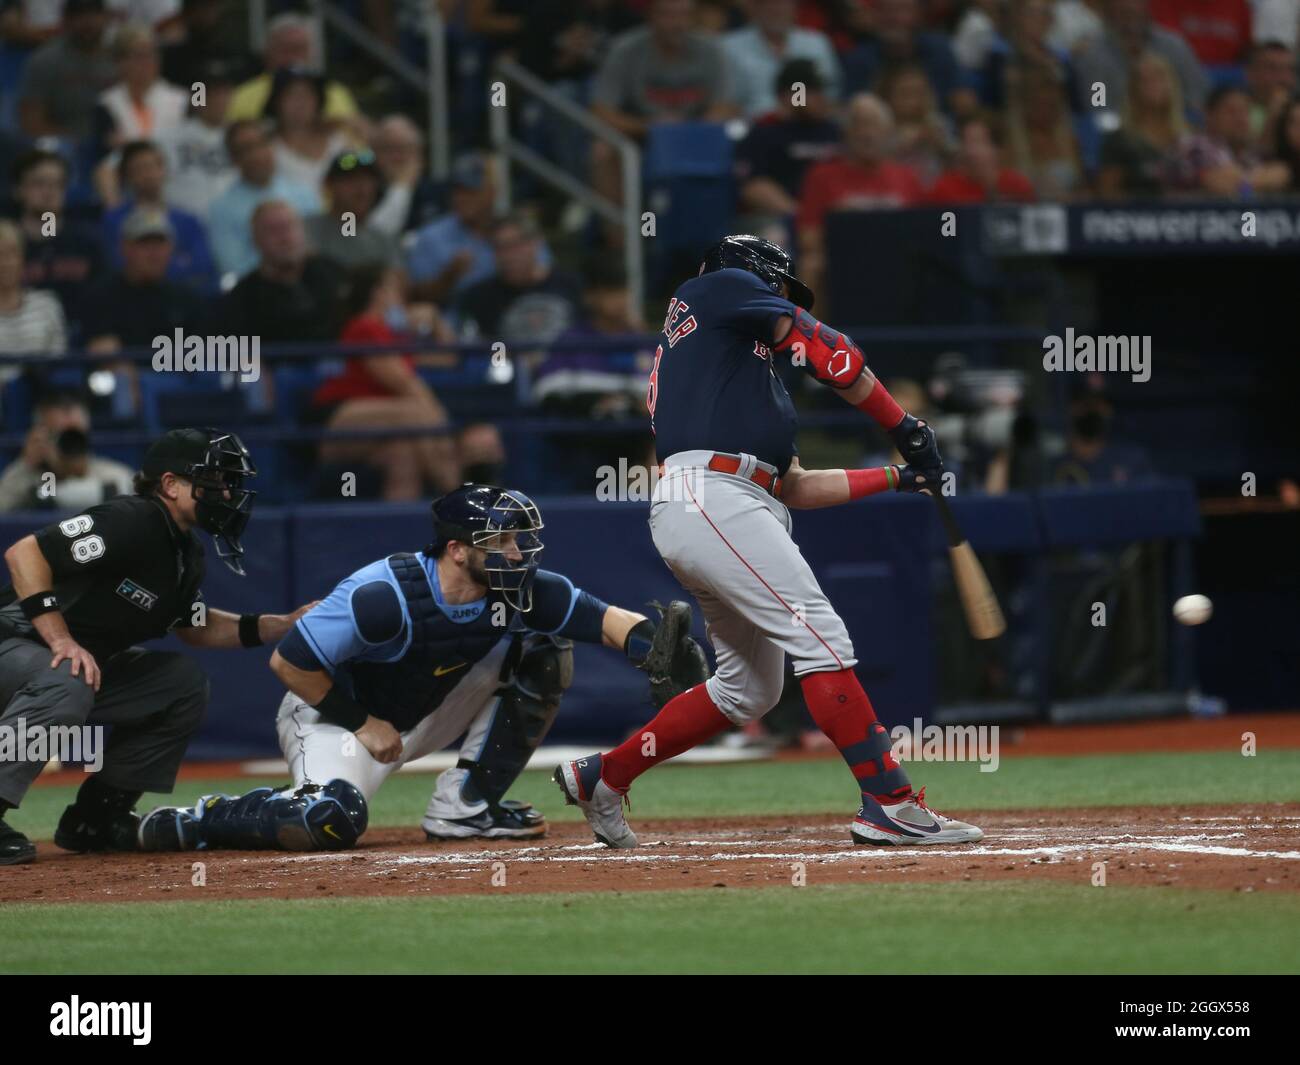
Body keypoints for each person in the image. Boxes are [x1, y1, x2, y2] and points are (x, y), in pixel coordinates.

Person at [554, 234, 983, 849]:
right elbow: (833, 353)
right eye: (779, 289)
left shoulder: (735, 371)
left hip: (726, 504)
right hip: (712, 499)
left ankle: (606, 775)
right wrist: (903, 424)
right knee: (822, 639)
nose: (781, 301)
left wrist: (898, 476)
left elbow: (799, 487)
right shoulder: (718, 287)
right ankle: (889, 803)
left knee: (750, 689)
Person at [136, 484, 708, 850]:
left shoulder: (522, 589)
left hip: (424, 707)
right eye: (500, 540)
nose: (517, 552)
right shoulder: (383, 594)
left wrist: (654, 649)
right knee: (331, 821)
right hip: (338, 719)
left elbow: (605, 620)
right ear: (457, 549)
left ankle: (465, 809)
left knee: (543, 648)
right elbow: (289, 664)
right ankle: (208, 817)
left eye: (518, 538)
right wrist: (361, 723)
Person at [0, 428, 314, 865]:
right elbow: (25, 554)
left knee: (180, 684)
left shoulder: (185, 552)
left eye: (229, 482)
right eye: (214, 480)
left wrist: (281, 624)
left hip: (67, 666)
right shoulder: (133, 518)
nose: (226, 492)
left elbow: (195, 627)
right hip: (16, 641)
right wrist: (61, 639)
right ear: (171, 484)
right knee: (70, 675)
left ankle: (96, 817)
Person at [309, 263, 461, 500]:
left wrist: (435, 318)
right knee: (416, 415)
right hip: (336, 421)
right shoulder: (364, 326)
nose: (402, 294)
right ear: (377, 292)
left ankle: (400, 532)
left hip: (382, 425)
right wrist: (440, 419)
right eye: (395, 286)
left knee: (404, 454)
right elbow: (405, 384)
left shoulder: (393, 335)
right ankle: (456, 499)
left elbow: (448, 358)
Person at [797, 94, 924, 304]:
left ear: (888, 133)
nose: (867, 133)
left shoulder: (907, 177)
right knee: (812, 265)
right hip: (844, 265)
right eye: (858, 125)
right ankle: (808, 336)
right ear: (846, 132)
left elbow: (923, 234)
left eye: (874, 125)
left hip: (897, 263)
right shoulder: (821, 175)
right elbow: (808, 239)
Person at [81, 207, 210, 352]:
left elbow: (201, 357)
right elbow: (98, 350)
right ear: (125, 248)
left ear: (171, 248)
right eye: (144, 243)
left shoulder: (187, 301)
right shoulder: (102, 297)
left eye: (160, 243)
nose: (154, 253)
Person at [219, 200, 347, 344]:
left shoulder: (335, 276)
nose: (285, 238)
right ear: (255, 240)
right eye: (273, 230)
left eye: (290, 227)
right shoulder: (242, 299)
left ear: (303, 232)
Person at [734, 59, 842, 229]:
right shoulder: (764, 131)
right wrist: (803, 216)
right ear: (791, 95)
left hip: (834, 216)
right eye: (814, 91)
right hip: (782, 220)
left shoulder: (834, 131)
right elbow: (753, 188)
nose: (823, 98)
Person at [207, 119, 320, 279]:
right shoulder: (221, 209)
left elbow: (317, 247)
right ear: (233, 159)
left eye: (262, 144)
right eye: (246, 149)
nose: (258, 155)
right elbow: (232, 267)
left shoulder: (304, 194)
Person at [100, 140, 217, 292]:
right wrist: (177, 262)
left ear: (163, 170)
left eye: (152, 166)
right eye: (139, 169)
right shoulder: (114, 221)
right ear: (128, 177)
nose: (148, 175)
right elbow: (117, 266)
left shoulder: (189, 221)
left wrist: (148, 264)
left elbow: (203, 266)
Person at [10, 149, 104, 335]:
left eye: (57, 184)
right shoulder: (6, 245)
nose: (49, 192)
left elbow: (103, 300)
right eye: (39, 183)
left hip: (80, 339)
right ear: (19, 190)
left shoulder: (86, 243)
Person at [455, 213, 582, 348]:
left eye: (515, 245)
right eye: (499, 247)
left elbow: (588, 339)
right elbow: (485, 352)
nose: (508, 256)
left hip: (570, 367)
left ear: (536, 243)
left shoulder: (571, 285)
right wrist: (510, 362)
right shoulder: (480, 297)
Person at [0, 393, 134, 512]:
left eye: (75, 434)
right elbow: (3, 506)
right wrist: (26, 464)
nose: (70, 442)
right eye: (60, 434)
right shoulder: (28, 477)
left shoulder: (113, 476)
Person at [225, 12, 362, 129]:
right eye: (286, 49)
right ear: (268, 52)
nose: (294, 57)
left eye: (301, 49)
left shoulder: (336, 92)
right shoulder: (241, 96)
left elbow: (358, 154)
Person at [841, 0, 977, 116]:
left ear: (918, 14)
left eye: (902, 10)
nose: (894, 18)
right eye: (886, 10)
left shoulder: (939, 50)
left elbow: (962, 93)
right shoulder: (859, 59)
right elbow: (850, 108)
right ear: (875, 15)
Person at [1074, 0, 1209, 116]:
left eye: (1135, 11)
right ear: (1108, 13)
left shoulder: (1173, 46)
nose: (1130, 21)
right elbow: (1098, 106)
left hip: (1174, 129)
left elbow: (1197, 94)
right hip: (1120, 136)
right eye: (1123, 13)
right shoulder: (1095, 57)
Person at [149, 58, 238, 222]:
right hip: (185, 225)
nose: (217, 99)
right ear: (196, 97)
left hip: (233, 223)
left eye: (222, 92)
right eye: (208, 93)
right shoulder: (167, 137)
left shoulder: (242, 136)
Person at [722, 0, 841, 119]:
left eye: (783, 2)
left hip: (807, 125)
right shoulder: (728, 47)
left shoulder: (816, 43)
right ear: (753, 7)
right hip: (752, 128)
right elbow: (724, 104)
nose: (777, 9)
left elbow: (831, 97)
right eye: (769, 3)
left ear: (795, 6)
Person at [406, 153, 499, 304]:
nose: (461, 198)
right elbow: (416, 297)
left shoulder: (511, 234)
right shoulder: (430, 236)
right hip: (450, 323)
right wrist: (448, 277)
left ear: (492, 193)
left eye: (470, 190)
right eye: (457, 190)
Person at [15, 0, 116, 140]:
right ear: (65, 20)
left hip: (114, 143)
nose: (88, 22)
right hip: (62, 145)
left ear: (106, 18)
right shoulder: (45, 61)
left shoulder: (119, 58)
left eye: (94, 14)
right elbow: (31, 123)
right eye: (79, 15)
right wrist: (72, 140)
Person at [1166, 83, 1290, 194]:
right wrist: (1260, 181)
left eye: (1245, 111)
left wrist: (1243, 183)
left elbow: (1282, 174)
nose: (1241, 118)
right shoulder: (1193, 145)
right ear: (1209, 115)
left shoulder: (1249, 153)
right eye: (1231, 111)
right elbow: (1220, 183)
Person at [1096, 50, 1188, 198]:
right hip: (1136, 217)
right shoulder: (1119, 140)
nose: (1154, 85)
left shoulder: (1190, 137)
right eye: (1145, 80)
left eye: (1159, 77)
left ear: (1172, 84)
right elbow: (1107, 195)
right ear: (1133, 89)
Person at [91, 22, 188, 159]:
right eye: (138, 55)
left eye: (151, 54)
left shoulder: (182, 99)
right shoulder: (105, 103)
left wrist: (129, 143)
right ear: (120, 62)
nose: (147, 62)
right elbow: (107, 149)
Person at [1004, 59, 1086, 200]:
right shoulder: (1011, 144)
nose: (1047, 111)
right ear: (1026, 105)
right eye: (1040, 105)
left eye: (1052, 106)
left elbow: (1083, 188)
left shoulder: (1070, 141)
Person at [305, 149, 401, 271]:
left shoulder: (384, 241)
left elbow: (397, 281)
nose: (361, 189)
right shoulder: (306, 230)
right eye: (351, 179)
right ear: (329, 184)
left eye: (368, 180)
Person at [265, 67, 354, 194]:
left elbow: (357, 167)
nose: (300, 103)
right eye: (292, 95)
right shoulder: (265, 146)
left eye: (308, 95)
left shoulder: (339, 140)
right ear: (276, 101)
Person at [0, 219, 66, 381]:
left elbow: (59, 360)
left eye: (12, 254)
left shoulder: (48, 305)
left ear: (22, 259)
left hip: (41, 396)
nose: (5, 263)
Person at [927, 114, 1036, 203]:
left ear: (997, 149)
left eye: (978, 142)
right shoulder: (945, 188)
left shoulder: (1017, 185)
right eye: (965, 142)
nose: (970, 151)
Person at [878, 62, 954, 187]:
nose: (914, 100)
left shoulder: (938, 122)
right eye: (905, 93)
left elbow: (955, 161)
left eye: (919, 93)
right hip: (895, 194)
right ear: (889, 96)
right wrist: (903, 145)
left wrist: (941, 145)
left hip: (935, 196)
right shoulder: (880, 126)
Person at [1243, 40, 1296, 144]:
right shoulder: (1237, 112)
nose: (1283, 78)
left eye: (1289, 69)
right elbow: (1249, 156)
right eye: (1273, 68)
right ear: (1251, 73)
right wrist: (1273, 115)